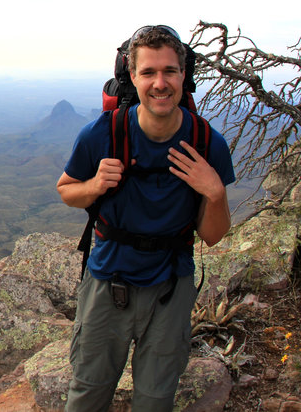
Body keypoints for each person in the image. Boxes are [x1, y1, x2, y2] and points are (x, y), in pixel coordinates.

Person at [56, 25, 236, 412]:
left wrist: (215, 192)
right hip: (108, 280)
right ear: (133, 77)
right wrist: (95, 185)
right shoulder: (101, 134)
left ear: (183, 77)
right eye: (149, 72)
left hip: (170, 286)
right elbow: (66, 189)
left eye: (169, 71)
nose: (160, 83)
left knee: (155, 400)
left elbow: (213, 235)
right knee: (88, 392)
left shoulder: (207, 143)